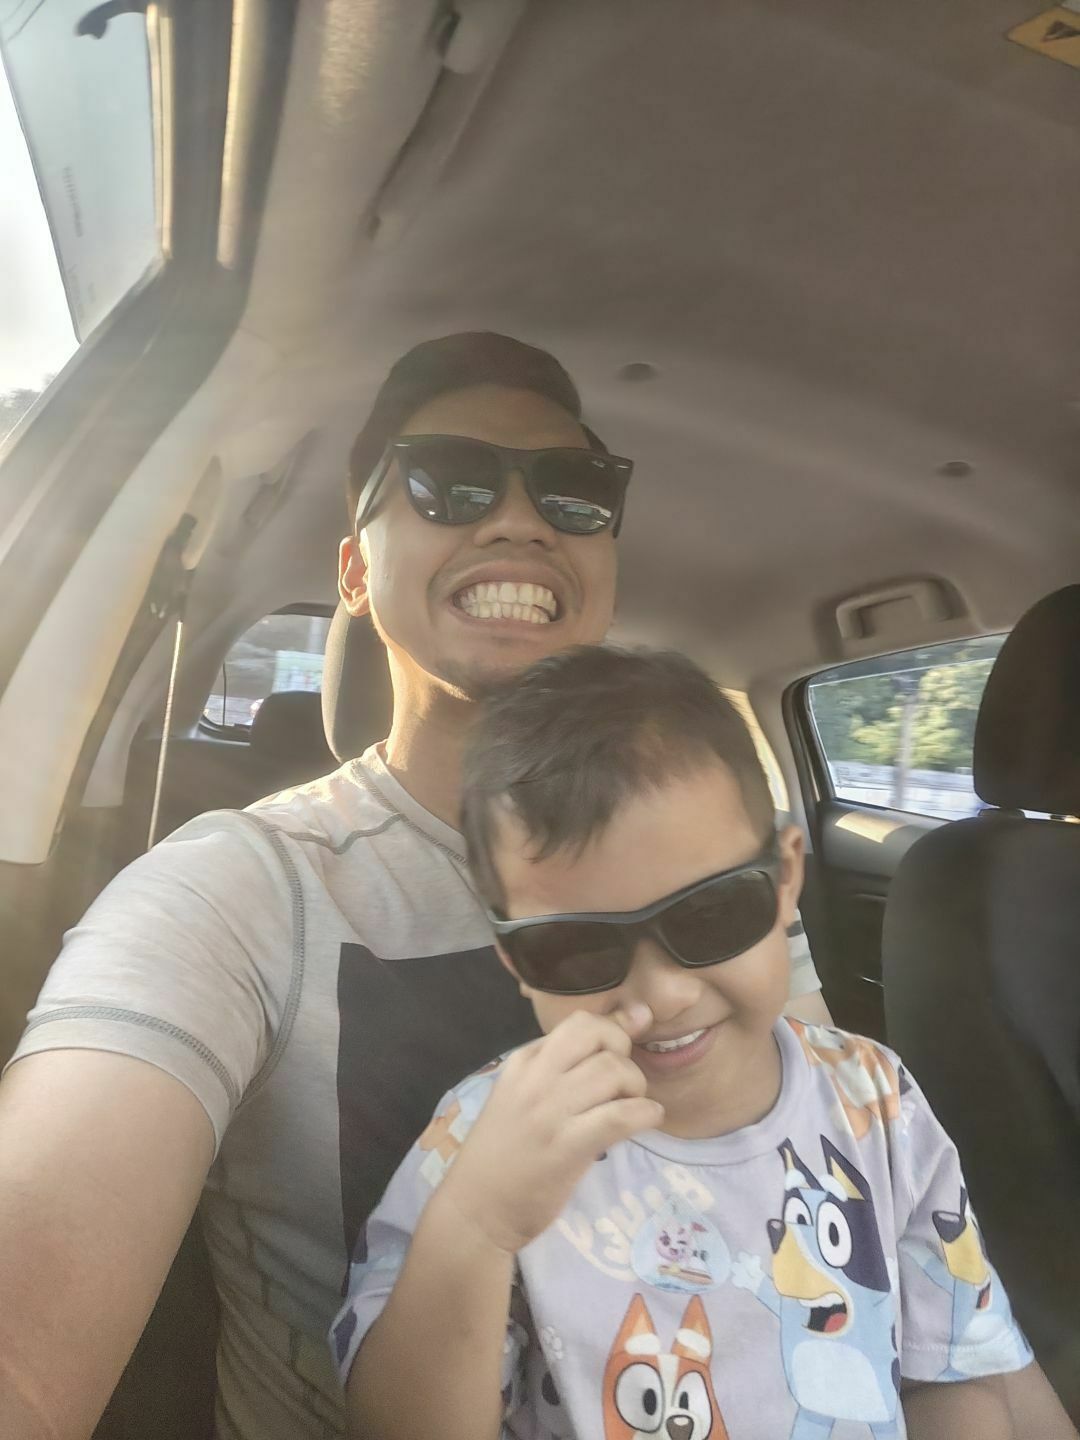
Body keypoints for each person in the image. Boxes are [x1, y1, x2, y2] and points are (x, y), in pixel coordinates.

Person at [0, 334, 829, 1440]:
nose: (521, 521)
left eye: (574, 492)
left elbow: (832, 1181)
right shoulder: (237, 891)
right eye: (450, 481)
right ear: (354, 570)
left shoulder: (713, 875)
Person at [333, 646, 1076, 1440]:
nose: (662, 995)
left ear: (785, 880)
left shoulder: (878, 1099)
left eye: (711, 913)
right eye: (576, 948)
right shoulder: (484, 1137)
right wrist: (478, 1224)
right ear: (516, 961)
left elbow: (953, 1372)